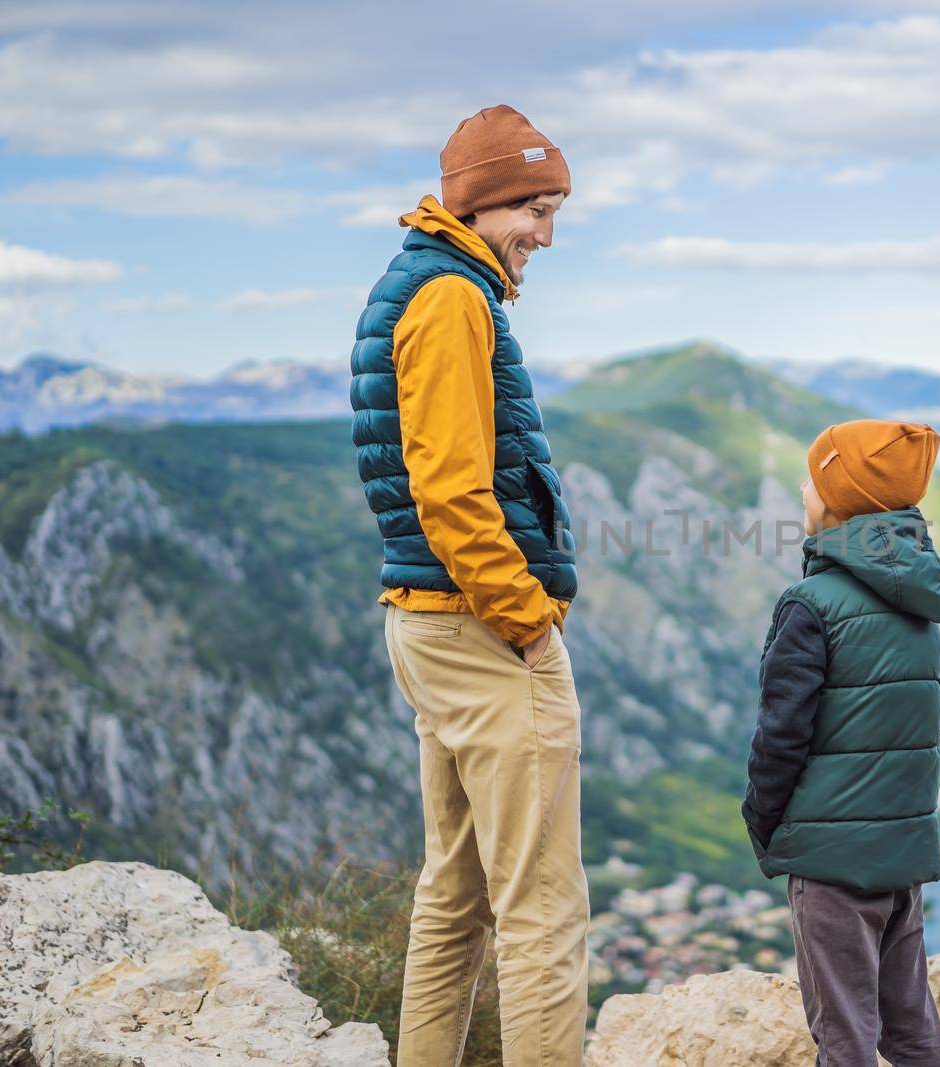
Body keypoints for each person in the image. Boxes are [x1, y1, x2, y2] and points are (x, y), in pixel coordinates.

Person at [349, 104, 586, 1066]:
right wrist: (527, 619)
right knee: (543, 911)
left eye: (556, 208)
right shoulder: (450, 297)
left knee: (457, 891)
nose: (545, 234)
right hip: (483, 631)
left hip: (429, 623)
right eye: (532, 206)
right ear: (478, 205)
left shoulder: (421, 283)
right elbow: (450, 485)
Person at [743, 419, 940, 1067]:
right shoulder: (917, 593)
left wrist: (765, 820)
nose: (802, 488)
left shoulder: (810, 603)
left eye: (812, 477)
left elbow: (781, 735)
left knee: (845, 1037)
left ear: (839, 497)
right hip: (902, 855)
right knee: (910, 1024)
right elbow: (926, 718)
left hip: (831, 862)